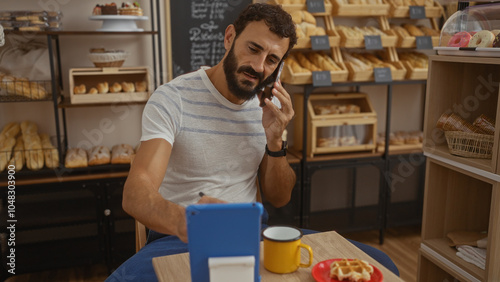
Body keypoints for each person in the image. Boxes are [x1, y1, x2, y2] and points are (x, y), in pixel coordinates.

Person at [106, 3, 398, 281]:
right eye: (253, 49)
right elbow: (135, 192)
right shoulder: (172, 98)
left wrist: (275, 141)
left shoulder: (265, 109)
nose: (258, 66)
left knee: (380, 263)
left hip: (252, 234)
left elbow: (279, 197)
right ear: (230, 37)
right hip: (179, 237)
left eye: (272, 59)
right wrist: (189, 220)